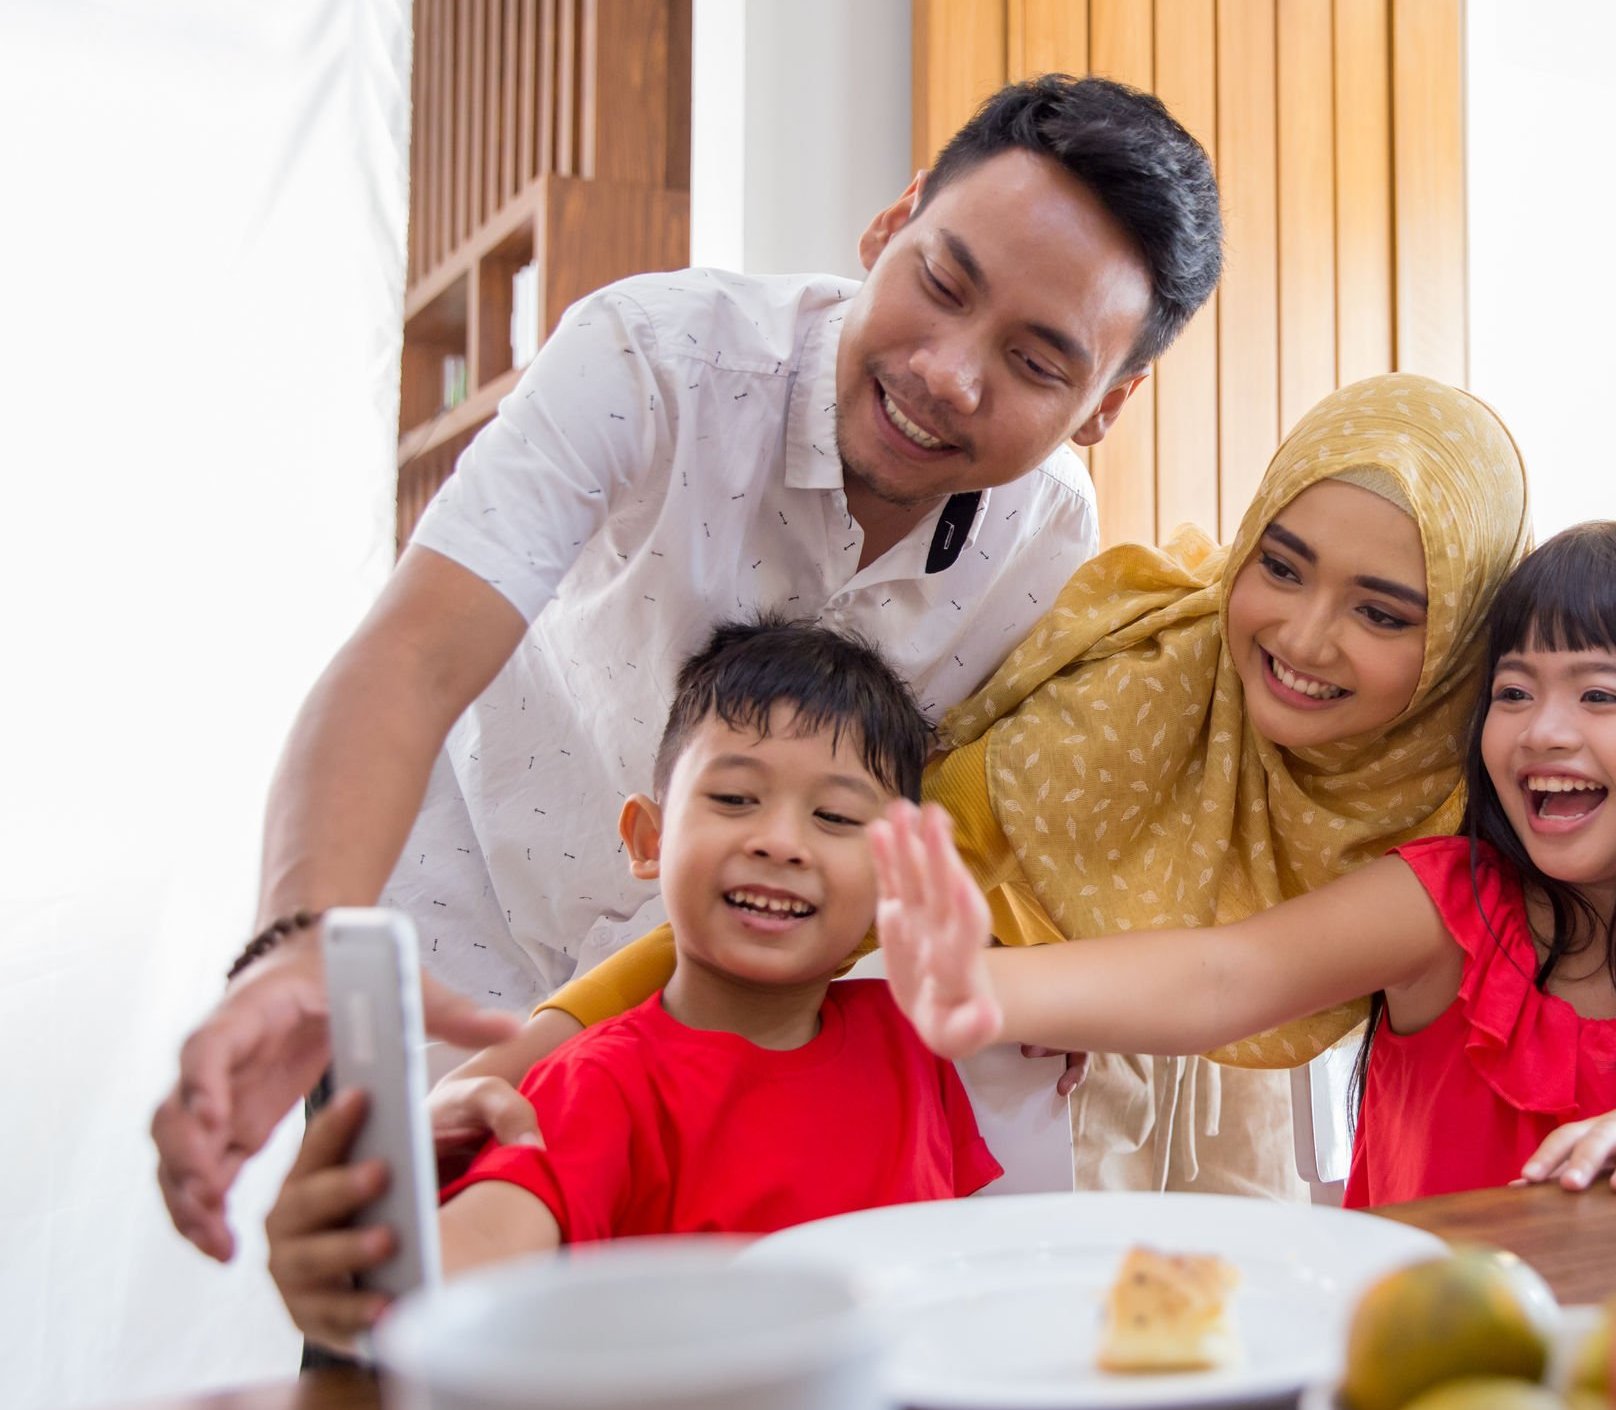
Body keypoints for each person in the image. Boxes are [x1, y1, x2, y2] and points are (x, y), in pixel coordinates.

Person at [157, 74, 1221, 1260]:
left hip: (719, 1046)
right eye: (940, 281)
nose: (946, 374)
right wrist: (297, 939)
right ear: (892, 221)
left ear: (1106, 404)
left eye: (1035, 363)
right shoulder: (652, 356)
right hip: (464, 969)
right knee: (398, 1324)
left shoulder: (1055, 551)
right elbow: (409, 656)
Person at [453, 373, 1534, 1200]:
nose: (1304, 636)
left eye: (1384, 612)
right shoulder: (1128, 707)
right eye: (1280, 565)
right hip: (999, 1087)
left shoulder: (1470, 777)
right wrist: (541, 1044)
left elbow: (1248, 987)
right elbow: (838, 876)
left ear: (1464, 640)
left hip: (1222, 1124)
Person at [870, 520, 1616, 1207]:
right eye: (1514, 693)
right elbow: (1228, 973)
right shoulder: (1451, 906)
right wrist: (979, 984)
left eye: (1600, 697)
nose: (1541, 734)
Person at [265, 619, 1000, 1353]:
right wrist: (359, 1252)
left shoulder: (910, 1041)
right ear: (649, 841)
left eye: (835, 816)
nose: (779, 841)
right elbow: (469, 1259)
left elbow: (967, 1280)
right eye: (735, 799)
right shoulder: (597, 1083)